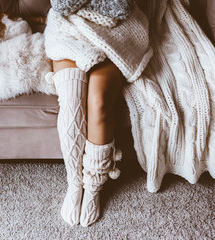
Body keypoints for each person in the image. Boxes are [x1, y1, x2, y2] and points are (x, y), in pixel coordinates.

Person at [44, 0, 152, 227]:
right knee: (72, 98)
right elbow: (62, 5)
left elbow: (120, 7)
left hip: (113, 31)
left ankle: (93, 186)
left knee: (98, 101)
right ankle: (75, 183)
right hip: (68, 27)